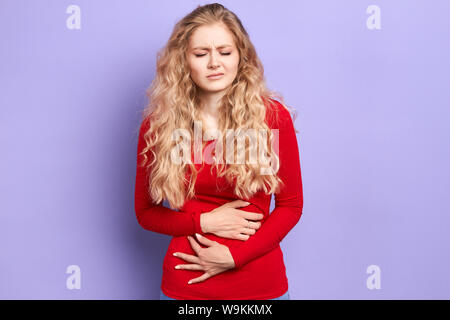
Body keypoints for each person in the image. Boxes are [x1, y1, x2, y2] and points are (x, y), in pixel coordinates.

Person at [134, 3, 303, 300]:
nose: (215, 63)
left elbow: (290, 206)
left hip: (259, 287)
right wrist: (204, 222)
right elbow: (146, 213)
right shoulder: (159, 126)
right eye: (201, 54)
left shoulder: (272, 118)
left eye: (225, 52)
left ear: (241, 56)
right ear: (183, 60)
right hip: (186, 287)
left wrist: (235, 257)